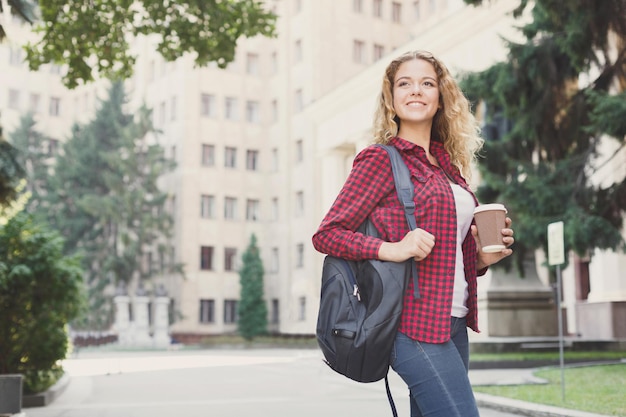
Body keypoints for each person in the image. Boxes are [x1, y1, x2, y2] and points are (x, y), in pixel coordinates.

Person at [311, 50, 515, 417]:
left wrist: (481, 259)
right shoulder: (381, 159)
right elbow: (327, 234)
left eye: (427, 83)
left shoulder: (448, 168)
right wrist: (391, 248)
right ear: (391, 98)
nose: (416, 91)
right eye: (404, 84)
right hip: (412, 322)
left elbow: (451, 252)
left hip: (453, 320)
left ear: (440, 97)